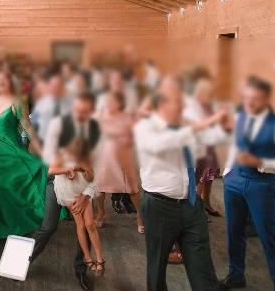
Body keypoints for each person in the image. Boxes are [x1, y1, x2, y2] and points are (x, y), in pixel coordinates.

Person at [134, 79, 229, 291]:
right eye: (174, 99)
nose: (181, 104)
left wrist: (224, 128)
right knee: (157, 266)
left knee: (202, 265)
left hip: (191, 203)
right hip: (160, 206)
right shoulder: (146, 128)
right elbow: (167, 143)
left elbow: (208, 141)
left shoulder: (186, 124)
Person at [31, 91, 100, 291]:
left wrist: (86, 195)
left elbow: (98, 170)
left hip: (83, 186)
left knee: (86, 226)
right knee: (48, 226)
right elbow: (51, 165)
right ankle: (23, 261)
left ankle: (81, 270)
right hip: (56, 183)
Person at [221, 76, 275, 290]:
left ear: (266, 99)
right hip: (234, 180)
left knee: (268, 236)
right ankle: (236, 275)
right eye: (246, 99)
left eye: (254, 99)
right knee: (233, 230)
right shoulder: (240, 117)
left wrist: (260, 162)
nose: (248, 104)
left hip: (262, 185)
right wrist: (227, 174)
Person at [0, 71, 45, 238]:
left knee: (10, 186)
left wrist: (41, 149)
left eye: (5, 81)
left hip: (9, 151)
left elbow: (27, 126)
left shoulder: (18, 101)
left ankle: (16, 223)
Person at [52, 137, 105, 275]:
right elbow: (51, 170)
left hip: (83, 191)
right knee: (80, 225)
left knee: (90, 225)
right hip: (68, 193)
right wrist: (67, 169)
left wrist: (86, 169)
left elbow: (91, 178)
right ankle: (87, 258)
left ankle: (100, 259)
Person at [94, 91, 144, 232]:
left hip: (123, 157)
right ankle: (100, 213)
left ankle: (140, 216)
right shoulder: (99, 117)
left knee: (132, 189)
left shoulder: (127, 117)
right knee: (99, 188)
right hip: (104, 157)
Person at [184, 77, 222, 217]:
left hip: (212, 146)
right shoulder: (192, 108)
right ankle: (197, 210)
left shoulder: (212, 106)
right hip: (199, 149)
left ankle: (206, 203)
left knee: (210, 176)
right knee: (200, 178)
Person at [30, 70, 71, 143]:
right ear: (49, 86)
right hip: (43, 141)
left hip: (64, 142)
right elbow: (33, 121)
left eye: (58, 86)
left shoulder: (70, 104)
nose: (55, 88)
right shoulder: (41, 103)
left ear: (63, 87)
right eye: (53, 86)